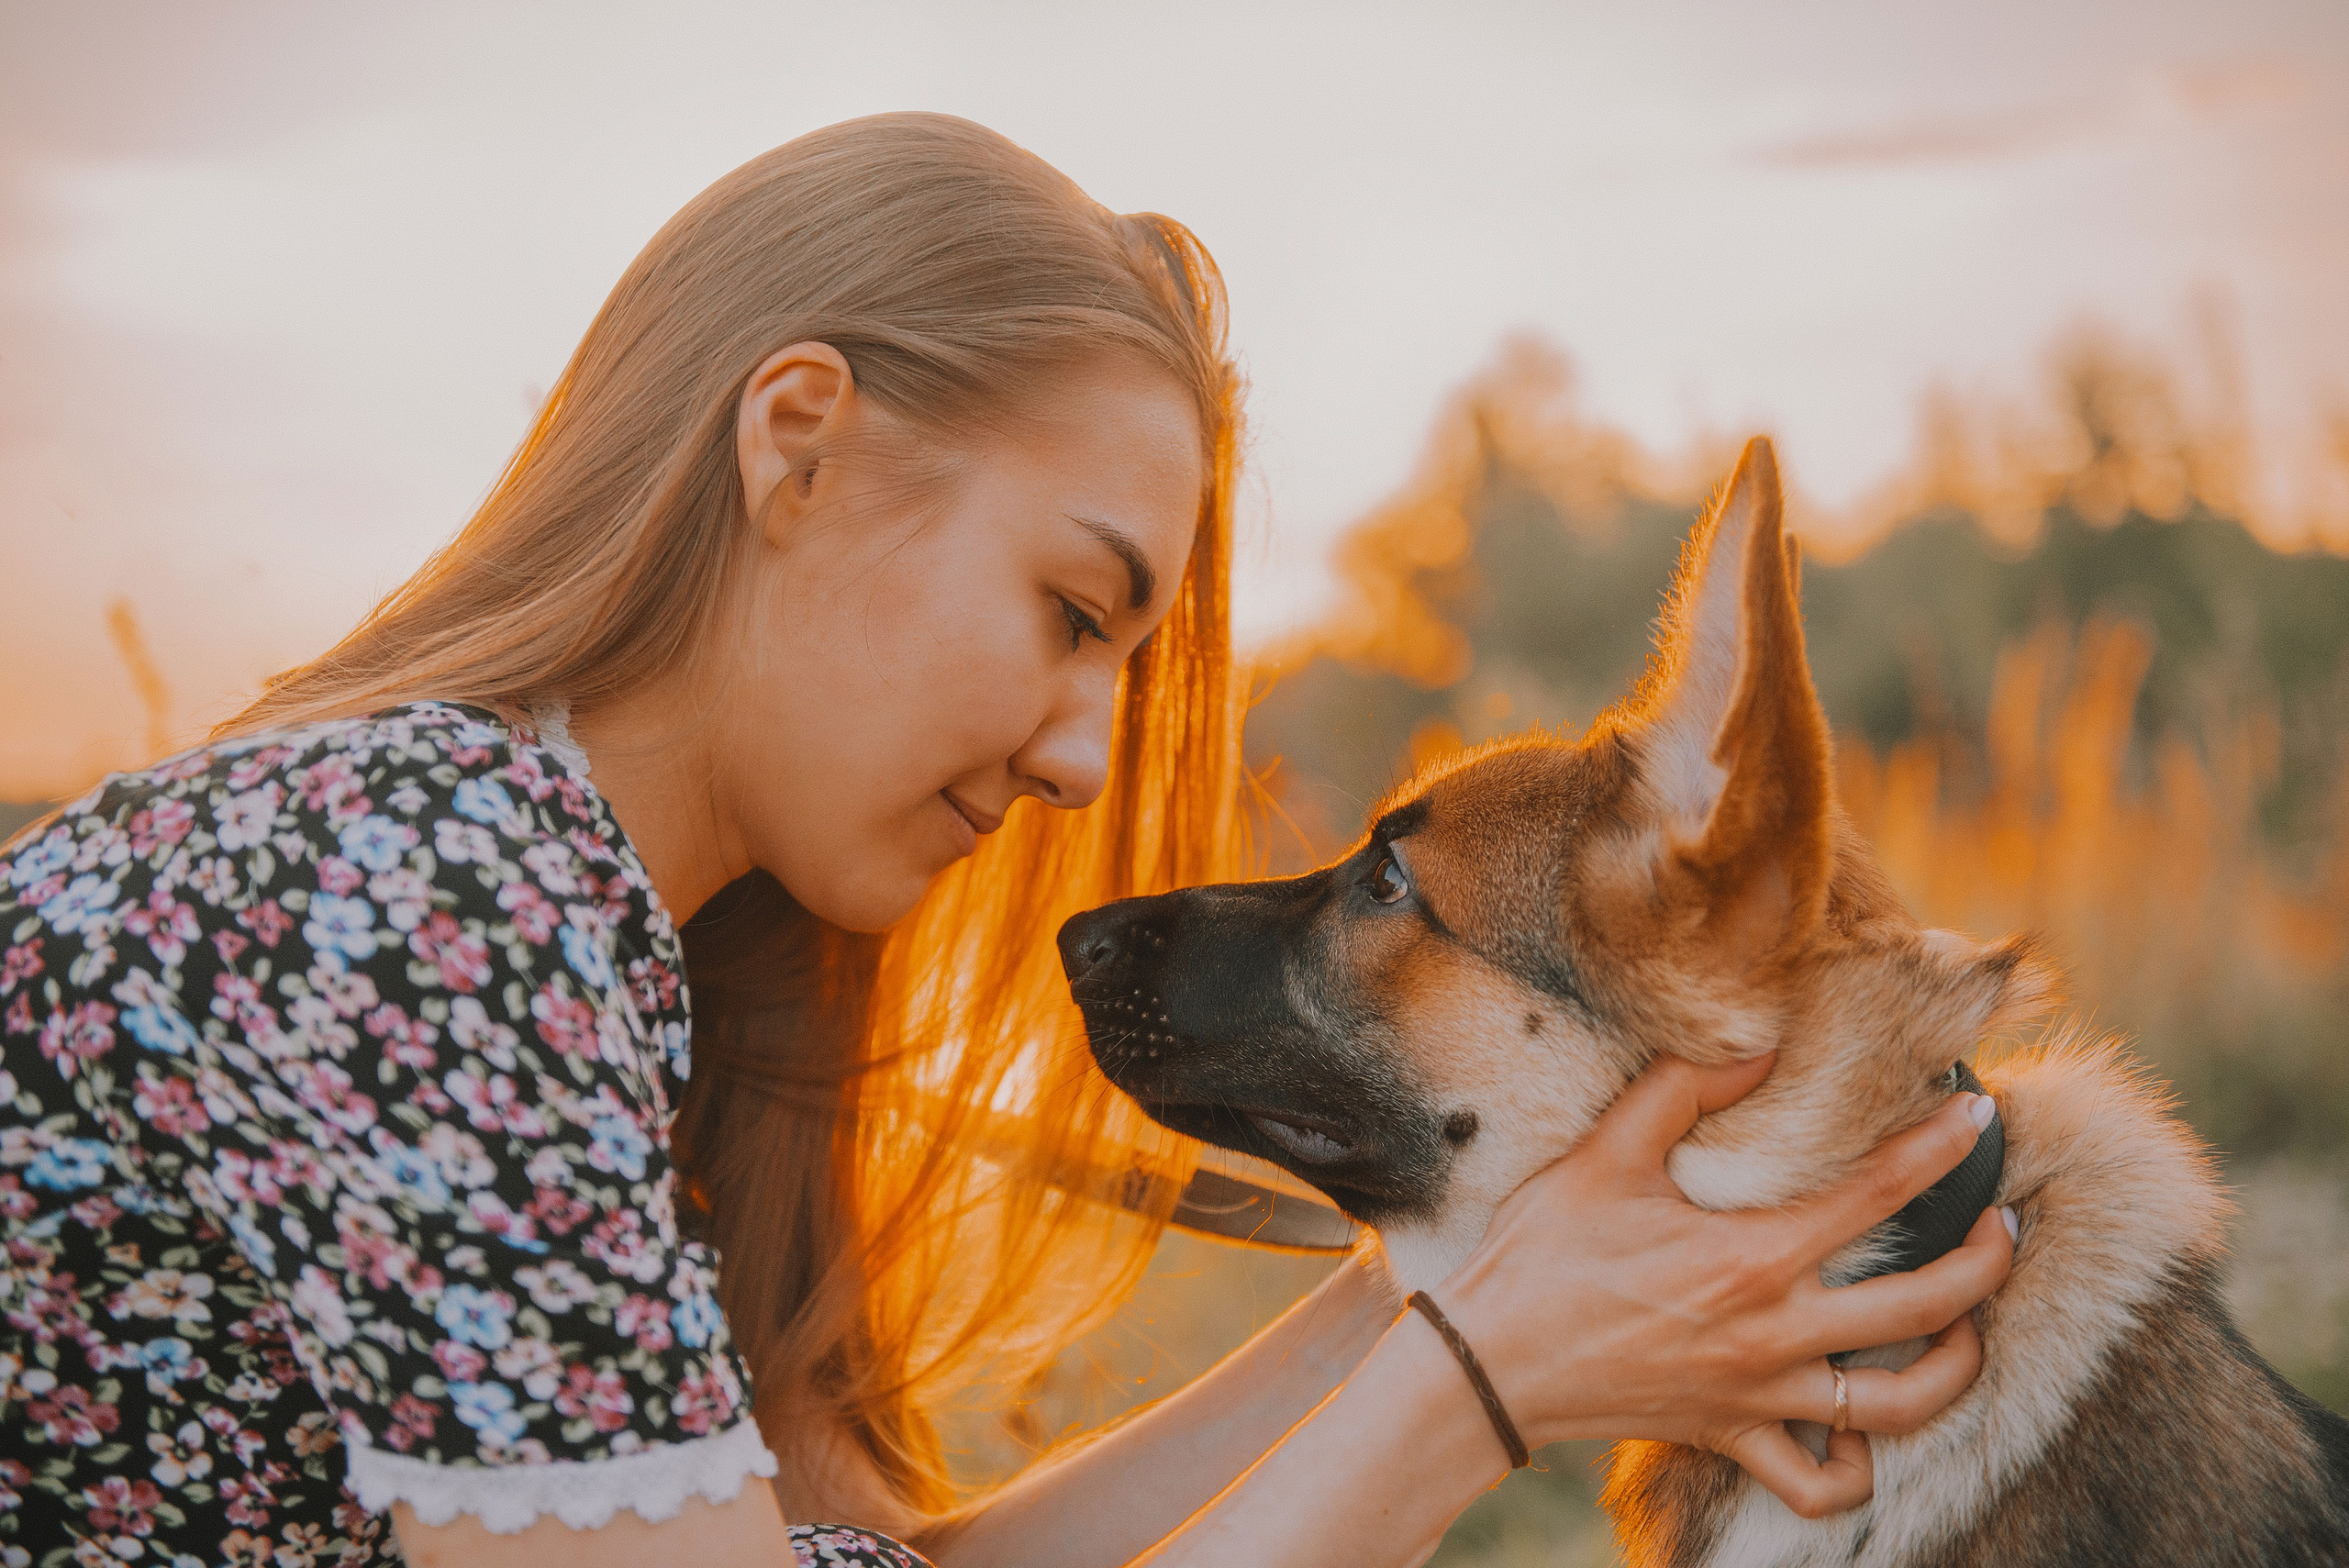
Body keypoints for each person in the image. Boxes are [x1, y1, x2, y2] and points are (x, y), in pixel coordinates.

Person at [0, 113, 2010, 1568]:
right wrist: (1474, 1388)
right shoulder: (414, 886)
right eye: (1071, 612)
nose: (1078, 758)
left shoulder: (558, 917)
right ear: (796, 444)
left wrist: (1440, 1296)